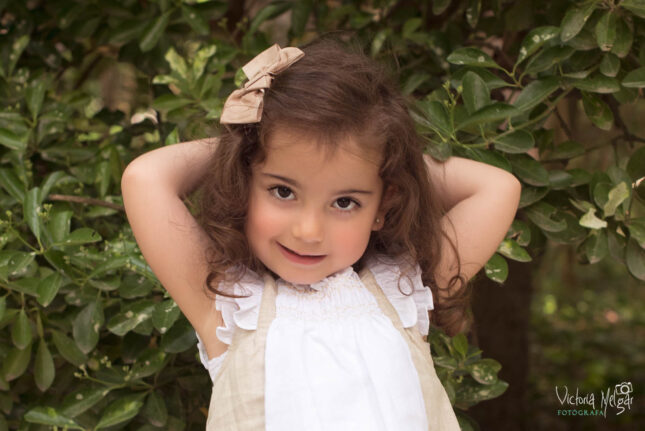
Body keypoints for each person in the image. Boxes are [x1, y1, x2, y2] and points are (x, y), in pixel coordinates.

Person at [121, 35, 521, 430]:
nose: (309, 232)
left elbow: (498, 189)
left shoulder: (402, 294)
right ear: (245, 183)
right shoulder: (228, 308)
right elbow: (145, 178)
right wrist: (241, 144)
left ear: (383, 206)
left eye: (345, 201)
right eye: (283, 191)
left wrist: (385, 158)